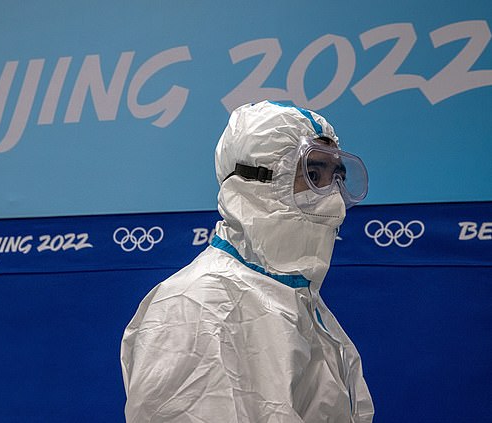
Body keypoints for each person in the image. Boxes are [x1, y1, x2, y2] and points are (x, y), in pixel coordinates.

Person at [120, 101, 374, 422]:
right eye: (311, 175)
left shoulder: (296, 302)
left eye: (336, 178)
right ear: (254, 184)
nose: (335, 202)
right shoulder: (194, 305)